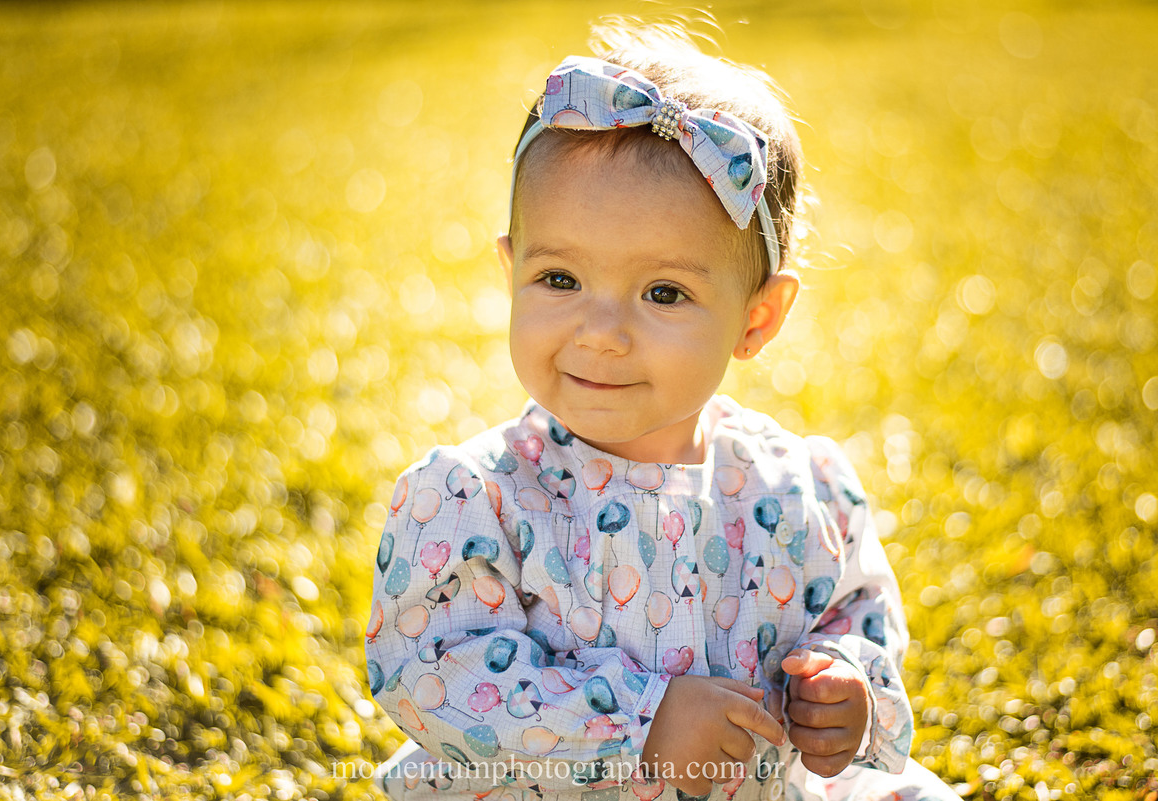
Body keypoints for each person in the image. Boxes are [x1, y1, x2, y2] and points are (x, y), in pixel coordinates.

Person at [364, 23, 959, 801]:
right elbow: (433, 675)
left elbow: (855, 611)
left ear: (756, 318)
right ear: (512, 273)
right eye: (560, 279)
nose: (602, 332)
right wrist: (639, 724)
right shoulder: (475, 498)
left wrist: (845, 686)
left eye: (664, 293)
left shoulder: (800, 490)